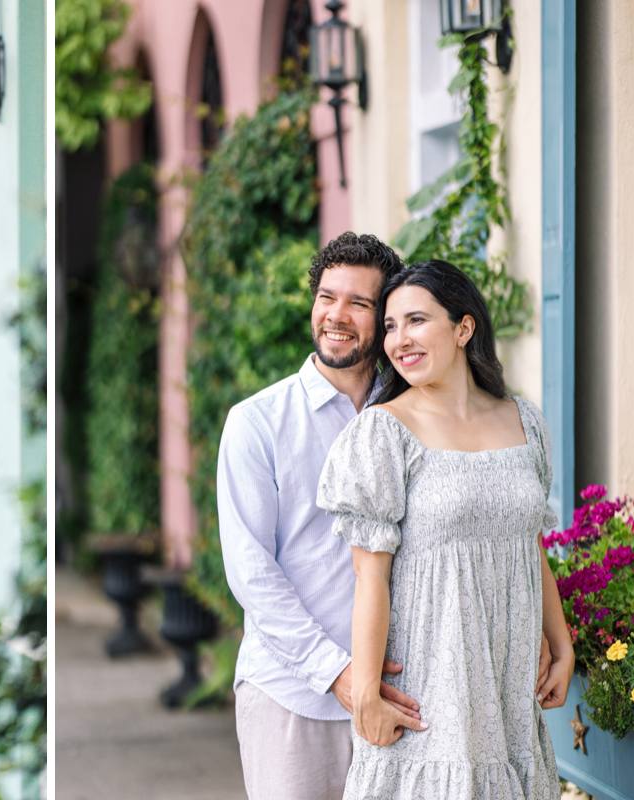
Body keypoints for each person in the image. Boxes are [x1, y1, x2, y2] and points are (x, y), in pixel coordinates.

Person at [316, 260, 573, 799]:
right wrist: (366, 690)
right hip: (433, 688)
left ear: (463, 328)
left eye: (415, 321)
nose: (398, 340)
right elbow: (370, 579)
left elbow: (529, 543)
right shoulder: (383, 434)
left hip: (508, 692)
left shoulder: (523, 421)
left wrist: (561, 642)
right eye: (388, 326)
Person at [216, 232, 419, 800]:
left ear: (383, 320)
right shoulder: (257, 422)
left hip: (402, 689)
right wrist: (339, 674)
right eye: (327, 297)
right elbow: (251, 572)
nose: (337, 315)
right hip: (292, 697)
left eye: (359, 303)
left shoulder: (413, 416)